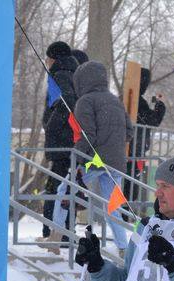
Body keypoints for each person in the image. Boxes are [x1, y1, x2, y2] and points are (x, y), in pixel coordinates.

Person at [73, 60, 134, 252]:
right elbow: (129, 132)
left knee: (64, 190)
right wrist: (113, 143)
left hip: (93, 161)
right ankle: (123, 247)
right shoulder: (115, 100)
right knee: (112, 206)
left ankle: (57, 236)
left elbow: (88, 135)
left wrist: (77, 156)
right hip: (116, 163)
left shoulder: (85, 101)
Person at [39, 41, 79, 246]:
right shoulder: (72, 72)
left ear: (54, 58)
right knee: (63, 190)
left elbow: (67, 102)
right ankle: (59, 233)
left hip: (62, 143)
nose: (46, 62)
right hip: (67, 143)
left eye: (48, 58)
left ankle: (54, 234)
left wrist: (51, 124)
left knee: (56, 190)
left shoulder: (61, 73)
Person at [126, 68, 166, 204]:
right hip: (134, 148)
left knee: (127, 184)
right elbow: (152, 121)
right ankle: (125, 214)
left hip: (128, 147)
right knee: (130, 186)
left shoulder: (127, 98)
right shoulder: (137, 101)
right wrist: (160, 107)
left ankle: (123, 212)